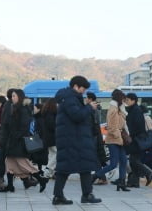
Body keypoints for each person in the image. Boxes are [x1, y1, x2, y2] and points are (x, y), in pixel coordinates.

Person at [52, 76, 102, 205]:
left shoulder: (70, 97)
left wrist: (85, 106)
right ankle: (79, 195)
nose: (84, 91)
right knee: (69, 168)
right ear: (75, 86)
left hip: (74, 139)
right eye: (83, 88)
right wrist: (89, 107)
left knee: (79, 167)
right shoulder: (70, 97)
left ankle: (83, 194)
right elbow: (77, 116)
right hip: (72, 139)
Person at [0, 89, 48, 193]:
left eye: (14, 96)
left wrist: (15, 136)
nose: (12, 98)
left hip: (18, 142)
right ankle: (10, 186)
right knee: (9, 165)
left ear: (19, 97)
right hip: (12, 141)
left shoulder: (23, 109)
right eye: (12, 96)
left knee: (24, 164)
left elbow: (24, 127)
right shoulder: (14, 108)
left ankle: (41, 179)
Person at [92, 89, 129, 191]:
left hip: (119, 138)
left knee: (124, 161)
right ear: (119, 98)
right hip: (114, 139)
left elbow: (122, 124)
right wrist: (119, 137)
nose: (124, 100)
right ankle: (96, 176)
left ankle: (121, 183)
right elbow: (112, 126)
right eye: (123, 98)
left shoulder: (119, 108)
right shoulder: (113, 109)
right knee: (113, 163)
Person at [125, 93, 152, 188]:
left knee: (134, 160)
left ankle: (148, 173)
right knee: (133, 160)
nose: (126, 102)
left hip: (137, 139)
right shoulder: (133, 109)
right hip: (135, 138)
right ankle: (135, 182)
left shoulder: (136, 110)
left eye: (128, 100)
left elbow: (137, 126)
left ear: (133, 100)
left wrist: (130, 135)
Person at [86, 92, 108, 185]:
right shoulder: (97, 108)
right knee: (95, 157)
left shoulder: (93, 109)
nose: (85, 100)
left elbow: (92, 124)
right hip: (95, 135)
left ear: (90, 99)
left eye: (87, 98)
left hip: (93, 136)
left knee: (95, 157)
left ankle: (101, 177)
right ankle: (101, 177)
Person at [40, 98, 57, 180]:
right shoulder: (51, 114)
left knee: (51, 155)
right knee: (56, 155)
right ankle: (47, 171)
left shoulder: (45, 112)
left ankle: (50, 172)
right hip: (53, 138)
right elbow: (52, 125)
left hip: (48, 138)